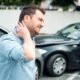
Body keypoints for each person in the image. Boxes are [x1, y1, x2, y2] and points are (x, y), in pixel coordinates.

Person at [0, 5, 45, 80]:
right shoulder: (7, 40)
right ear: (27, 18)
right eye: (40, 20)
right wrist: (27, 36)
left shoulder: (30, 39)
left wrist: (27, 37)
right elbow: (29, 56)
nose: (43, 24)